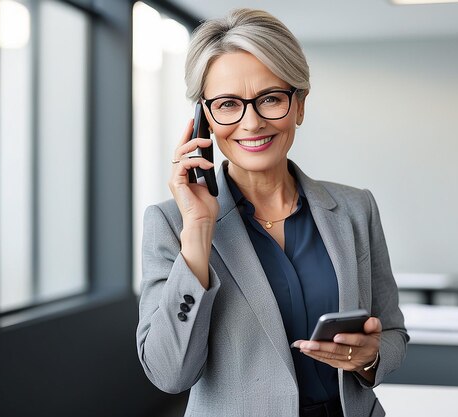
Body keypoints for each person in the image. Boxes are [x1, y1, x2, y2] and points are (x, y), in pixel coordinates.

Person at [136, 8, 408, 417]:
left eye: (270, 99)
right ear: (204, 119)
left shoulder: (356, 208)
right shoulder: (171, 223)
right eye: (228, 104)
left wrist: (370, 357)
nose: (252, 122)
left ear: (299, 105)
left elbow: (393, 333)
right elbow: (168, 373)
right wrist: (198, 233)